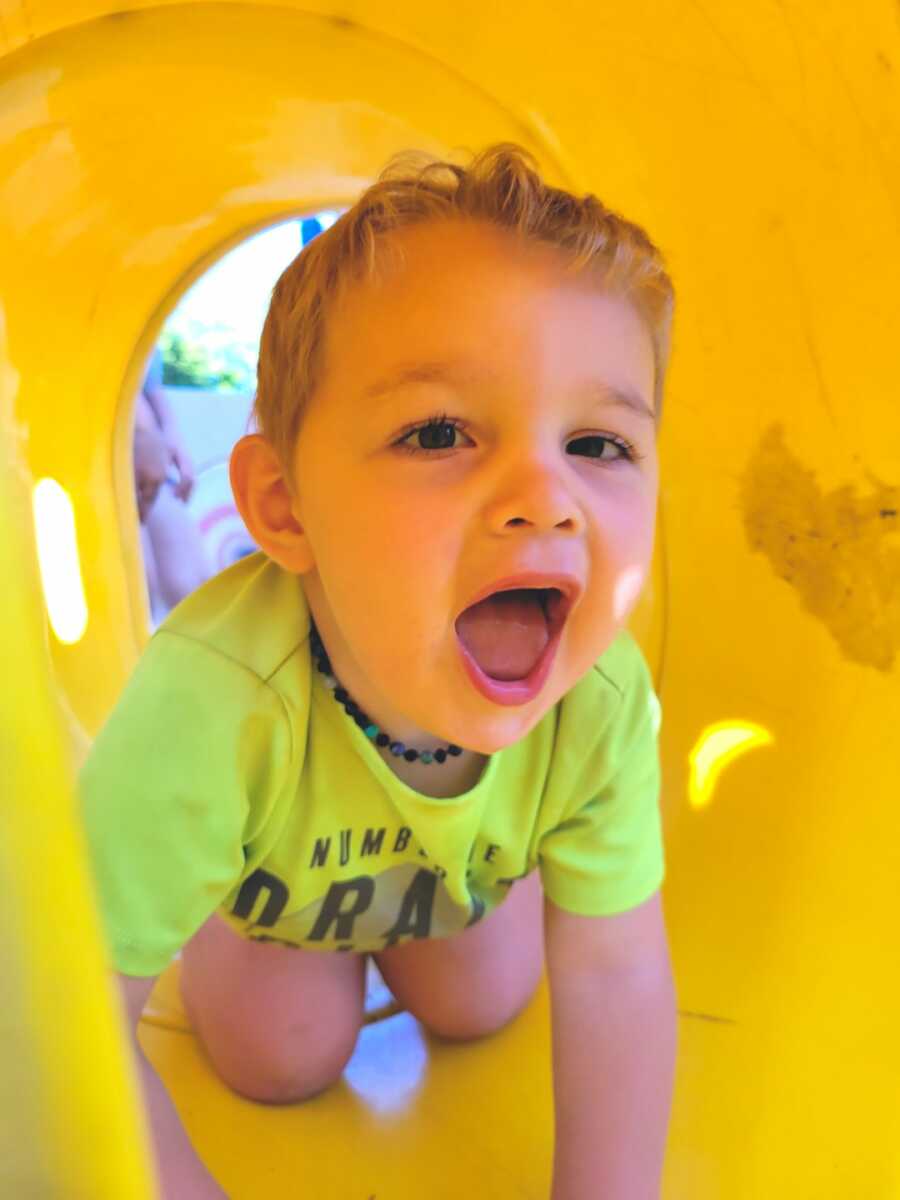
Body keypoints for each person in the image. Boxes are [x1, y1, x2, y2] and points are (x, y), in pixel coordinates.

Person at [80, 143, 678, 1200]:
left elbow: (620, 969)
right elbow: (64, 1027)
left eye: (599, 443)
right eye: (440, 432)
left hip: (449, 893)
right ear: (284, 507)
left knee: (484, 1001)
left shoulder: (601, 696)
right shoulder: (209, 705)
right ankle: (224, 917)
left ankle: (481, 881)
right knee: (282, 1056)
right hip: (284, 904)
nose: (545, 496)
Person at [134, 346, 211, 624]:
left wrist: (169, 435)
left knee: (192, 588)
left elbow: (148, 376)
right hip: (94, 444)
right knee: (135, 585)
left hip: (145, 444)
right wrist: (142, 433)